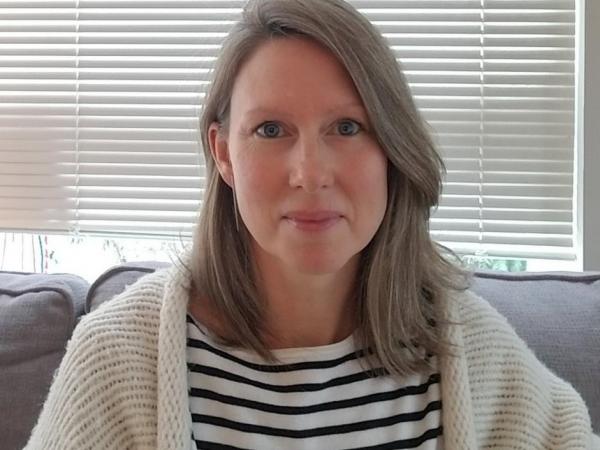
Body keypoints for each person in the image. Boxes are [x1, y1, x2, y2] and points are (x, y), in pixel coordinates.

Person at [25, 0, 599, 449]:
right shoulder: (118, 355)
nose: (310, 173)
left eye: (347, 128)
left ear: (391, 149)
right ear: (224, 155)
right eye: (271, 130)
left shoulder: (462, 343)